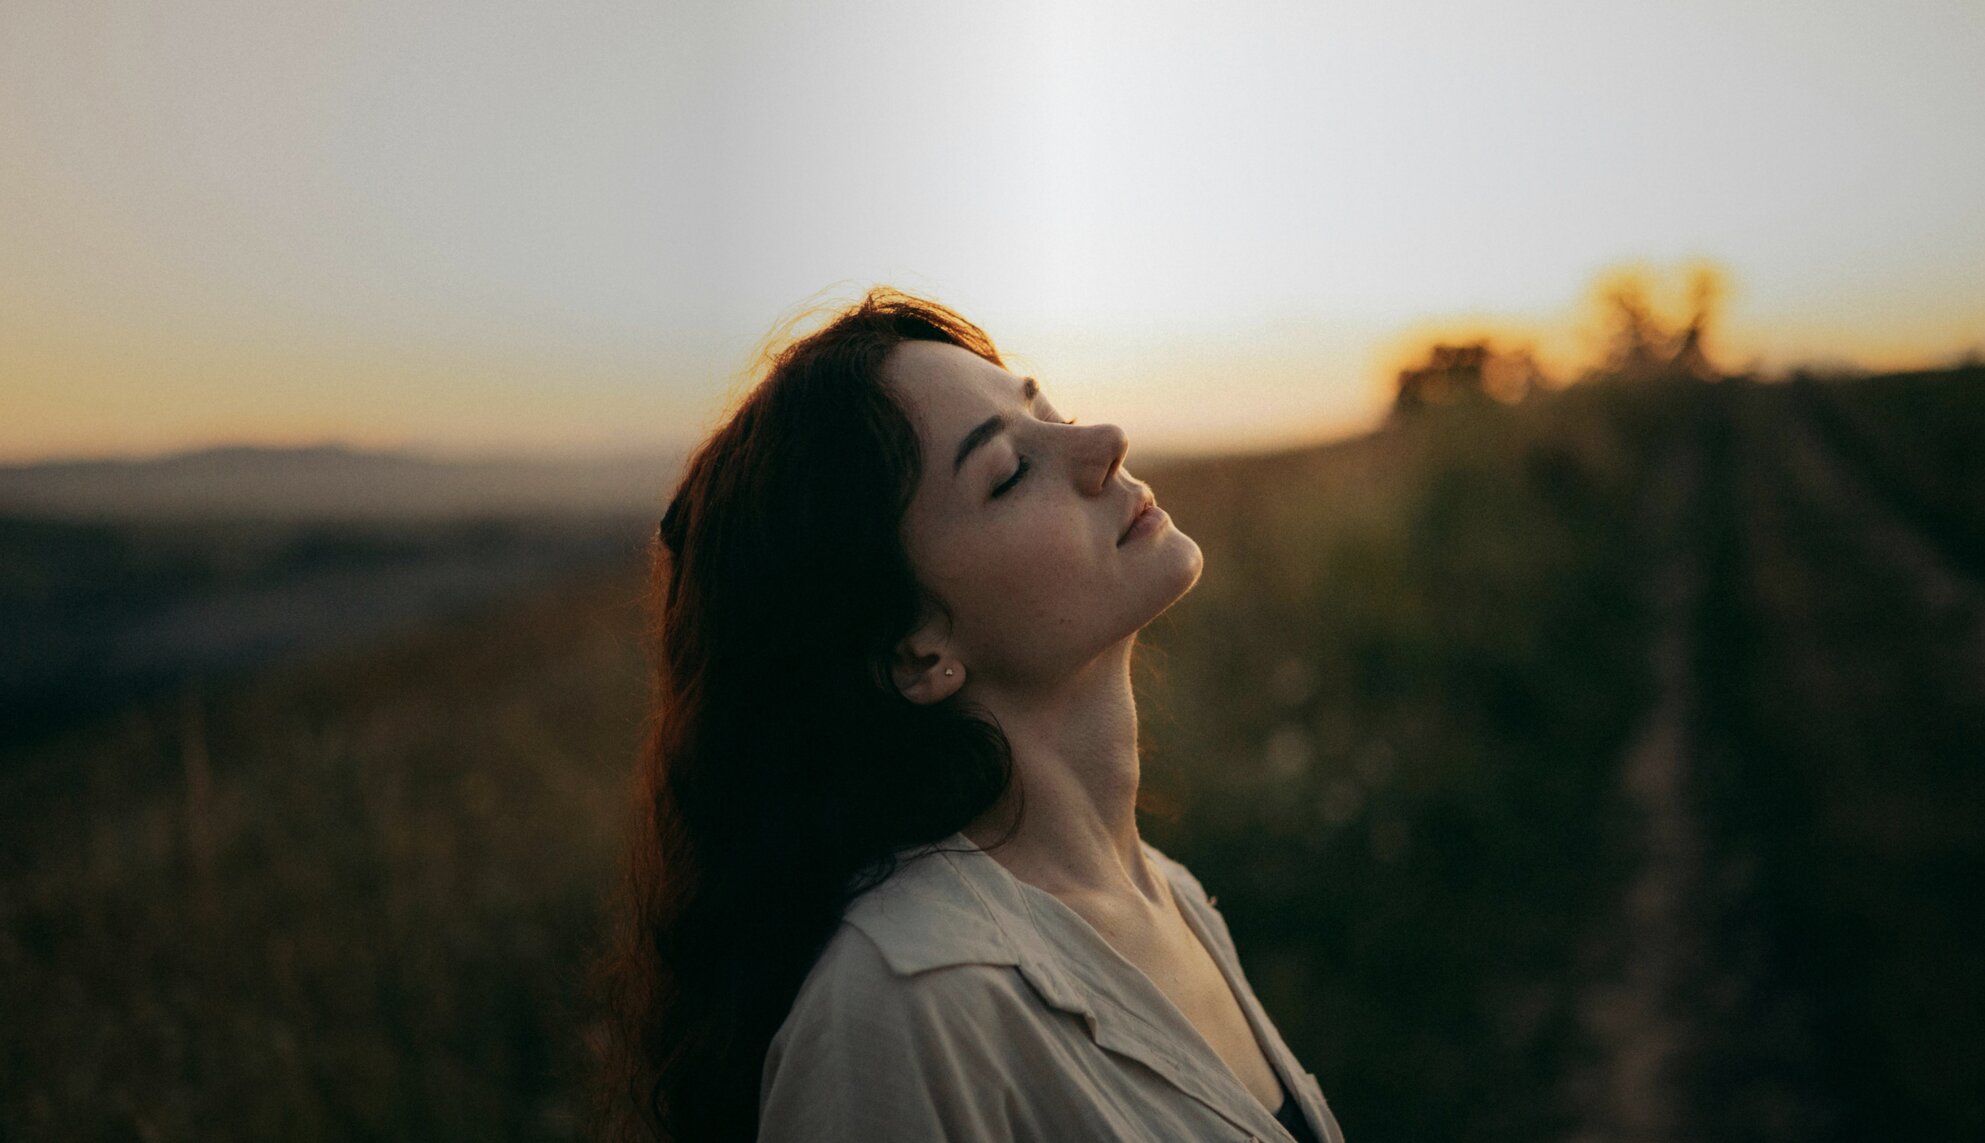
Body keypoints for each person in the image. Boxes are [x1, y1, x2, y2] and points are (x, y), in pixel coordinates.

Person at [593, 288, 1345, 1142]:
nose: (1103, 442)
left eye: (1046, 410)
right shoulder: (907, 1005)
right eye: (1008, 472)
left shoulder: (1167, 892)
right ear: (915, 651)